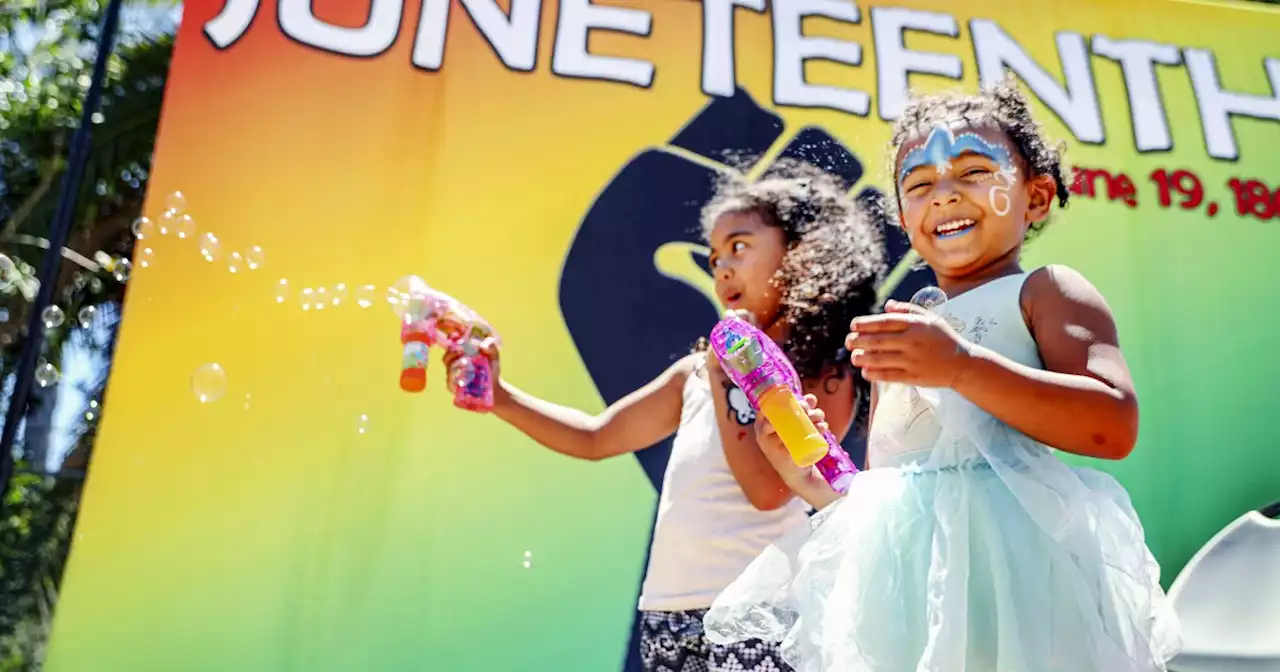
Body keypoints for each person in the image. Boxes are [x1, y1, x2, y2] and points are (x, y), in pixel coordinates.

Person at [703, 80, 1183, 671]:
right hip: (909, 595)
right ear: (904, 219)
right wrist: (805, 474)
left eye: (974, 172)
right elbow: (887, 487)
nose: (945, 196)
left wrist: (962, 366)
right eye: (921, 185)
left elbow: (1112, 425)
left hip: (1022, 578)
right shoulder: (903, 330)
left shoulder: (1045, 292)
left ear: (1034, 198)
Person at [456, 160, 886, 672]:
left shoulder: (824, 371)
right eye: (715, 257)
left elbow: (767, 491)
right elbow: (595, 438)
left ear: (801, 255)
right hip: (666, 615)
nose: (722, 267)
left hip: (758, 615)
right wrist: (499, 395)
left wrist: (731, 369)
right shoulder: (695, 373)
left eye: (741, 247)